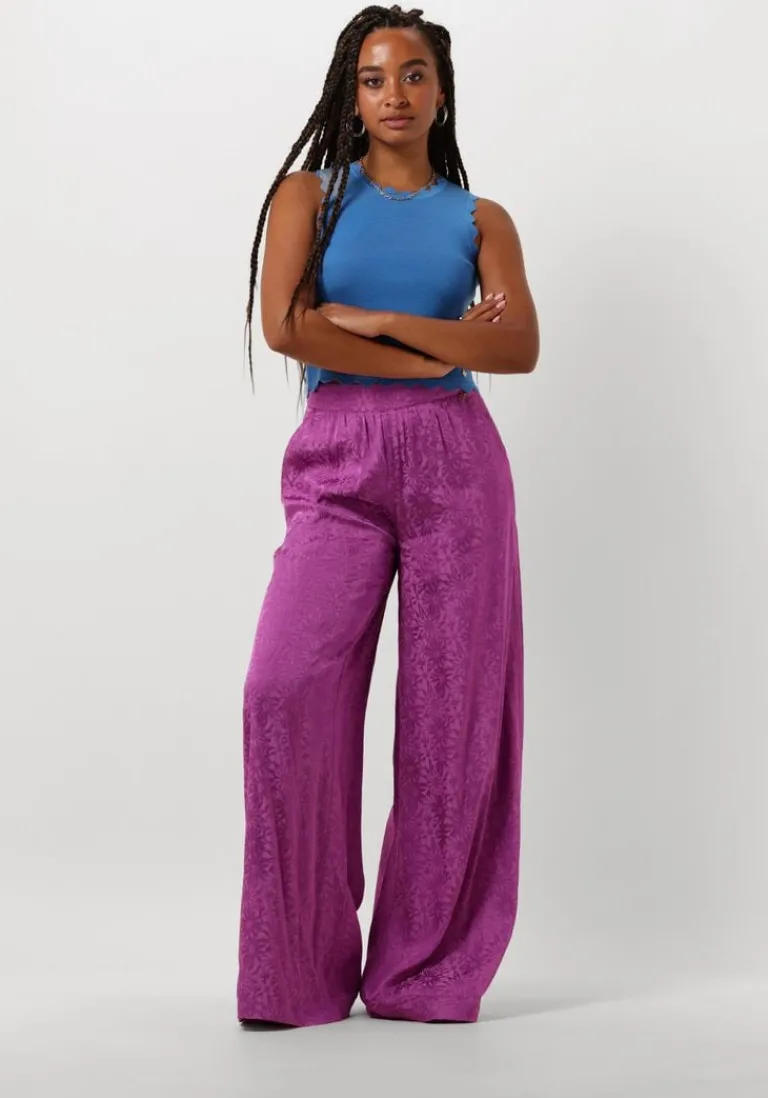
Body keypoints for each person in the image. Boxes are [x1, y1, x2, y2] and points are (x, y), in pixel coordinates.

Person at [237, 3, 539, 1028]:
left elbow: (518, 348)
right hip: (339, 459)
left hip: (460, 464)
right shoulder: (310, 196)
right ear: (351, 94)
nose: (394, 95)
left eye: (413, 75)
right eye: (374, 79)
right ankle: (292, 974)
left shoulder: (481, 219)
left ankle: (424, 974)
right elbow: (288, 327)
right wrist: (441, 345)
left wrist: (373, 321)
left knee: (454, 717)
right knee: (284, 688)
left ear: (441, 92)